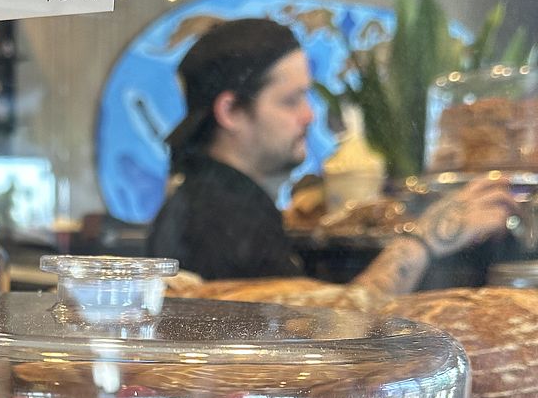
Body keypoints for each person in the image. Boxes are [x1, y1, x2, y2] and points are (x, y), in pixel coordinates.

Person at [147, 18, 518, 297]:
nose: (309, 115)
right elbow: (310, 336)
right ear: (230, 111)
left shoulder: (217, 199)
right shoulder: (219, 214)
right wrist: (427, 239)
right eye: (290, 100)